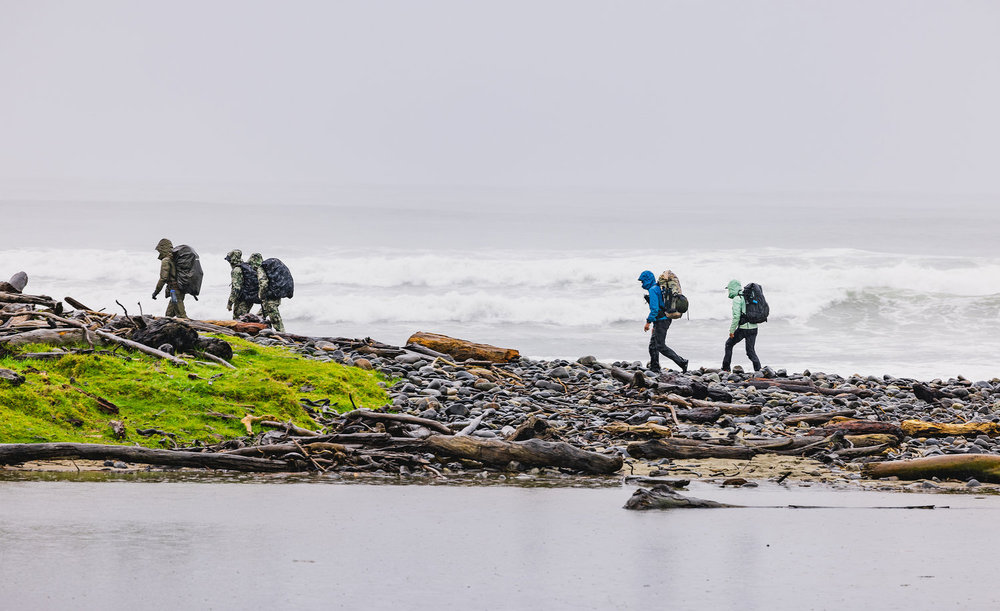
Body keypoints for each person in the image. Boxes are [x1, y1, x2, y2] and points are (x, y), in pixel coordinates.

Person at [639, 270, 688, 373]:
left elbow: (655, 309)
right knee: (653, 346)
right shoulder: (657, 288)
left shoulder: (653, 290)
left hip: (662, 321)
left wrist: (648, 322)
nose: (642, 284)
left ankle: (682, 362)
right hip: (662, 320)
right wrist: (654, 324)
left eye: (642, 281)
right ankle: (654, 368)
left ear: (647, 280)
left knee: (660, 346)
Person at [723, 279, 761, 372]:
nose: (729, 291)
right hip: (754, 328)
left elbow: (736, 317)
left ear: (733, 288)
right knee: (750, 351)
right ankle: (759, 370)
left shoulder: (737, 298)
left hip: (744, 329)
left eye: (729, 289)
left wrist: (732, 331)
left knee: (729, 344)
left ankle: (726, 368)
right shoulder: (749, 296)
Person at [151, 238, 187, 318]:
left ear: (163, 249)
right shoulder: (175, 258)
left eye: (159, 250)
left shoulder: (166, 260)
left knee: (182, 316)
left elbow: (163, 278)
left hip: (175, 291)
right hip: (179, 290)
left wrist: (156, 292)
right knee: (168, 315)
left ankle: (193, 328)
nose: (159, 253)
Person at [250, 252, 285, 332]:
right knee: (260, 315)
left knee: (275, 319)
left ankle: (283, 334)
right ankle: (256, 330)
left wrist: (260, 295)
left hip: (270, 298)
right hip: (276, 295)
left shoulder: (260, 269)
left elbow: (264, 283)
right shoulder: (268, 268)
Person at [225, 249, 253, 319]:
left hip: (242, 300)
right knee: (245, 319)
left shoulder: (236, 270)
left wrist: (230, 303)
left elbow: (236, 288)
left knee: (238, 320)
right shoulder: (246, 266)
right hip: (249, 298)